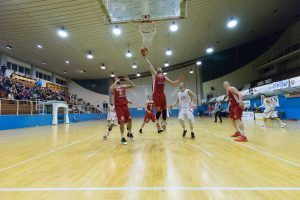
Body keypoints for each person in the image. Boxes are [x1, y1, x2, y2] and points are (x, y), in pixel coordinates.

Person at [143, 56, 184, 132]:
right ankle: (157, 122)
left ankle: (164, 122)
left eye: (160, 68)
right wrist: (145, 57)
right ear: (157, 70)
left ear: (161, 70)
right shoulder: (155, 75)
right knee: (158, 111)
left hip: (162, 95)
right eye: (157, 68)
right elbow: (149, 65)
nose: (159, 69)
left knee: (164, 110)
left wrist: (178, 81)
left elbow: (173, 83)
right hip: (156, 94)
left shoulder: (164, 77)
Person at [110, 76, 135, 145]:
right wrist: (115, 81)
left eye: (117, 78)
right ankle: (122, 137)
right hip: (118, 107)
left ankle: (129, 132)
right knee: (122, 122)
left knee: (130, 120)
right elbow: (111, 89)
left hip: (125, 106)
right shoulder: (114, 88)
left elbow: (133, 86)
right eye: (115, 78)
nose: (117, 78)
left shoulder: (123, 86)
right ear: (114, 80)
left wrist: (128, 80)